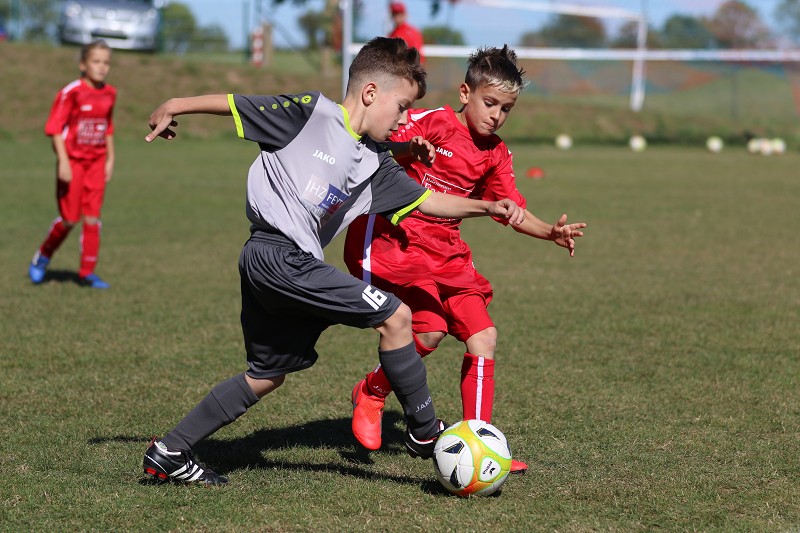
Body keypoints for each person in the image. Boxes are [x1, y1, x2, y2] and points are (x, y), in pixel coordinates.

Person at [141, 37, 525, 485]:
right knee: (397, 317)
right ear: (370, 94)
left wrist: (486, 206)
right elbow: (235, 103)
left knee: (268, 374)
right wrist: (175, 103)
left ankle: (169, 450)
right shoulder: (310, 114)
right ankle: (425, 434)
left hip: (282, 264)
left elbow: (428, 201)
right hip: (277, 255)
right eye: (401, 107)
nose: (405, 119)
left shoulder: (374, 163)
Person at [344, 45, 587, 474]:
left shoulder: (496, 153)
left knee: (484, 337)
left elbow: (511, 208)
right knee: (431, 331)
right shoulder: (433, 122)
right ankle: (372, 391)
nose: (496, 115)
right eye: (489, 103)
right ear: (465, 93)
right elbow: (377, 145)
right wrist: (409, 150)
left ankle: (480, 447)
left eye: (506, 109)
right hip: (401, 240)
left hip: (448, 252)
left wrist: (549, 230)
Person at [28, 39, 116, 289]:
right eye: (96, 61)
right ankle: (42, 257)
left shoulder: (110, 93)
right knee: (69, 218)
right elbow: (55, 129)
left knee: (92, 218)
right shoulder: (71, 92)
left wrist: (111, 159)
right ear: (82, 64)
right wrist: (63, 162)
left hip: (97, 162)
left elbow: (107, 128)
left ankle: (87, 272)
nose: (102, 67)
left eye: (106, 62)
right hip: (73, 162)